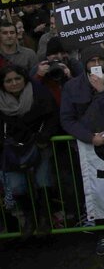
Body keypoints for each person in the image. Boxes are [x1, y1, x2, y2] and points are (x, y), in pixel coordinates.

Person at [59, 46, 104, 255]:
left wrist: (103, 91)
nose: (96, 65)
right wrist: (89, 138)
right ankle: (101, 232)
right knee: (94, 190)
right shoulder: (72, 87)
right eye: (91, 61)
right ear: (84, 63)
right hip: (87, 148)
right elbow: (67, 119)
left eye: (99, 60)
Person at [0, 64, 59, 238]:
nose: (14, 83)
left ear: (24, 78)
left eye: (17, 79)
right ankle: (29, 218)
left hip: (38, 144)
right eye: (8, 80)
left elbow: (53, 116)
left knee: (43, 180)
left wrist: (44, 136)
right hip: (11, 150)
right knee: (17, 186)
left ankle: (45, 217)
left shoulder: (39, 92)